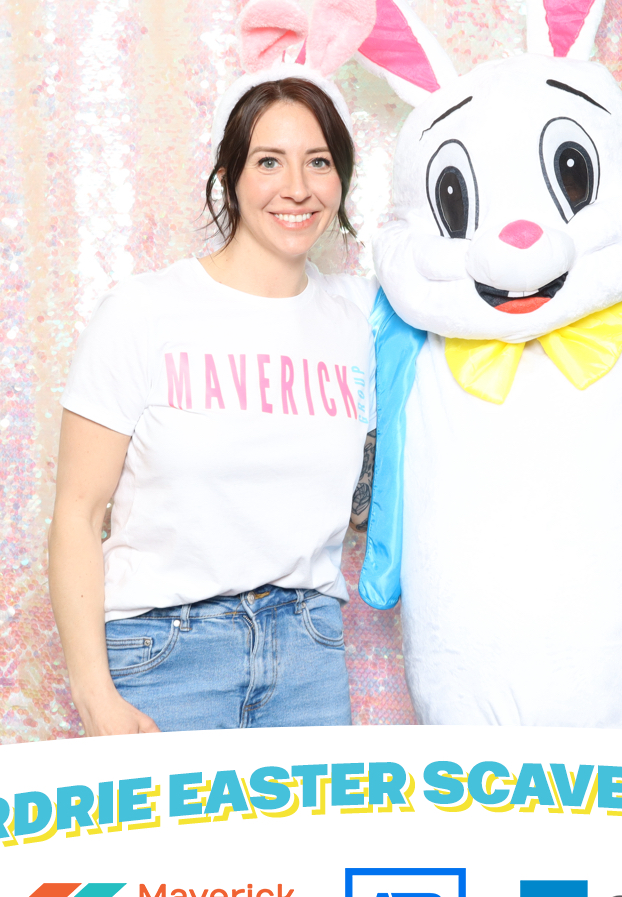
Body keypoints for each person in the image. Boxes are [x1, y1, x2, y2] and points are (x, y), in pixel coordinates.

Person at [48, 70, 376, 735]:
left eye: (318, 162)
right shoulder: (142, 312)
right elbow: (76, 516)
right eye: (269, 162)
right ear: (230, 177)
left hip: (309, 653)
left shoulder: (362, 319)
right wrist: (95, 696)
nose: (297, 188)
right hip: (166, 654)